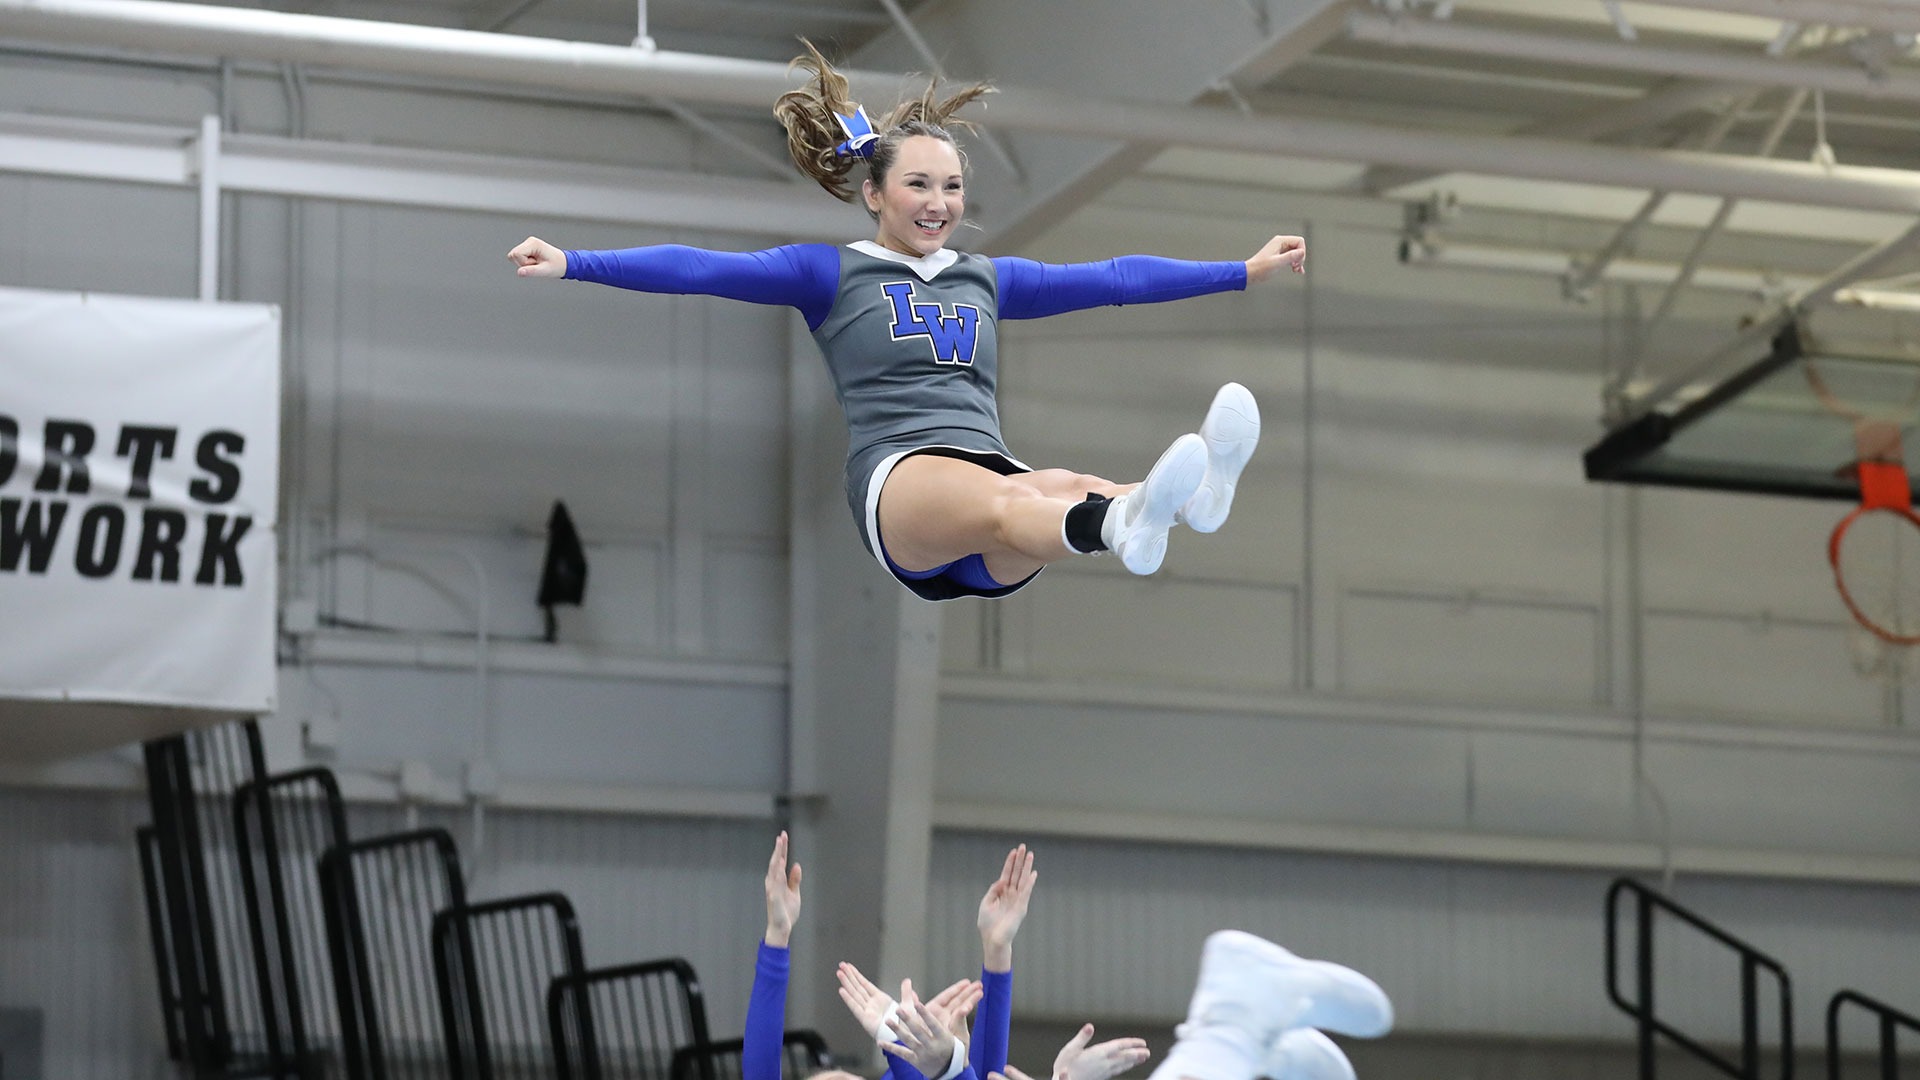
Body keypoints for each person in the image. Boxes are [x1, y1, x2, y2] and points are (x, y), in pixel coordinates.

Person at [508, 41, 1302, 601]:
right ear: (875, 194)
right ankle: (1124, 522)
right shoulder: (828, 273)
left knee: (1057, 484)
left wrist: (1243, 269)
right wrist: (577, 260)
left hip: (988, 477)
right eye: (919, 185)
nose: (939, 205)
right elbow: (702, 270)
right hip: (902, 484)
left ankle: (1185, 503)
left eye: (953, 188)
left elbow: (1115, 280)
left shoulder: (986, 280)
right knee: (1013, 500)